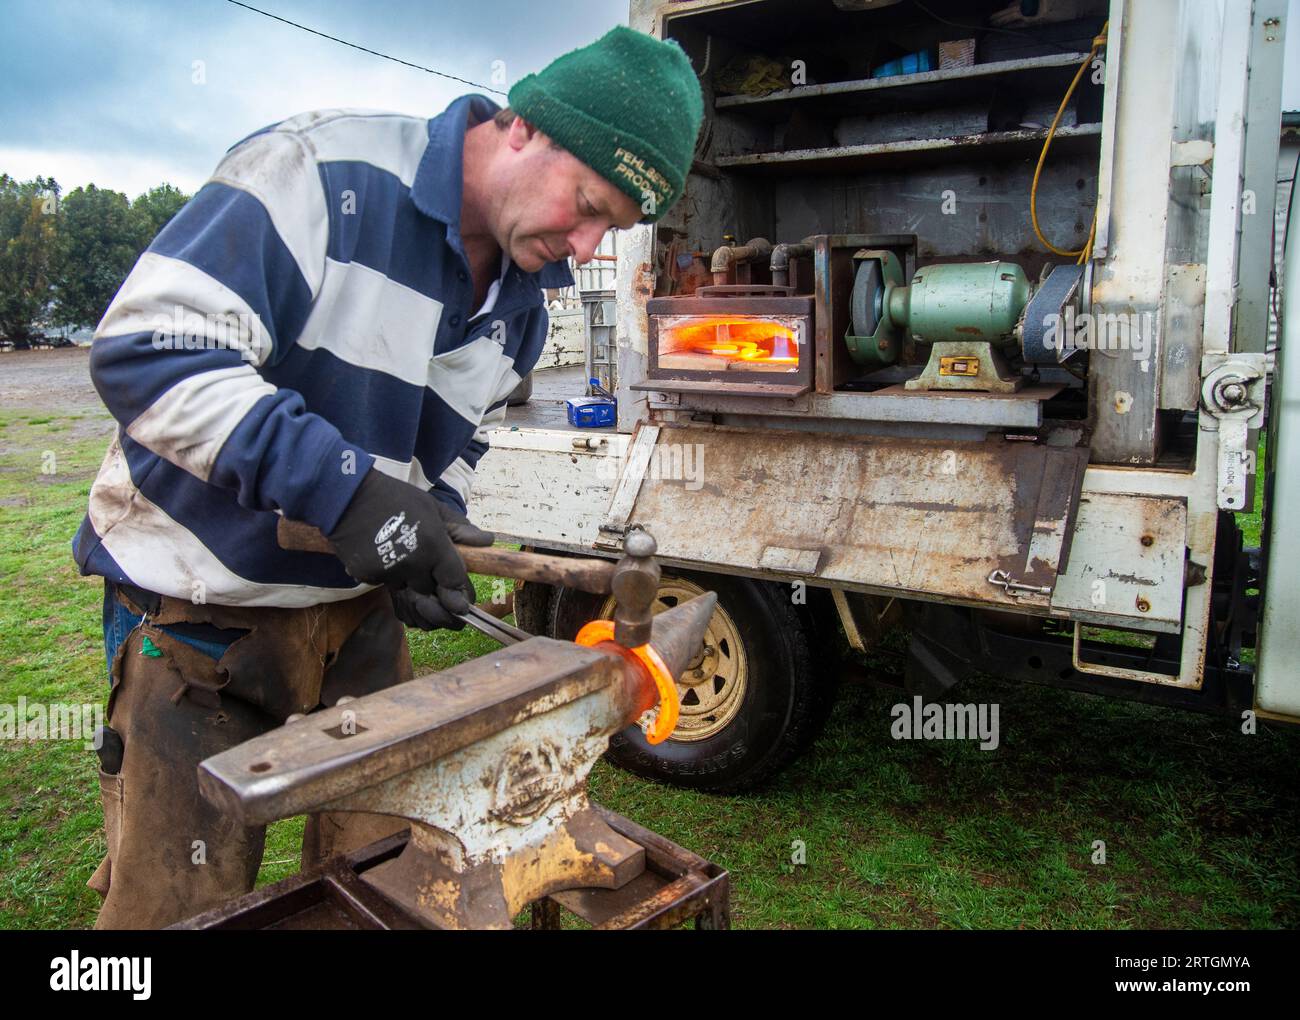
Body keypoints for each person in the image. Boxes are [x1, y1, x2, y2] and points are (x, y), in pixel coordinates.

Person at [73, 24, 703, 928]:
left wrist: (430, 524)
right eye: (589, 204)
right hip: (202, 625)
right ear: (527, 126)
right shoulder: (318, 176)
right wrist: (345, 492)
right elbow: (148, 355)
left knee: (380, 888)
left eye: (614, 228)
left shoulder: (523, 303)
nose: (586, 246)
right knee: (177, 903)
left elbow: (451, 444)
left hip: (357, 627)